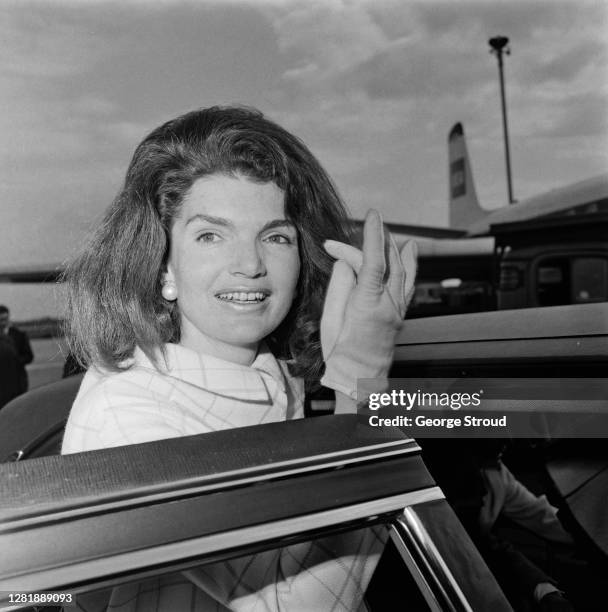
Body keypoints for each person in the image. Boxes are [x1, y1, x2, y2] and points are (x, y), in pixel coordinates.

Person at [61, 106, 416, 611]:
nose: (250, 264)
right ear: (164, 267)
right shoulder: (131, 413)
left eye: (275, 237)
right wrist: (362, 393)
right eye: (211, 235)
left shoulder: (271, 380)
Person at [0, 304, 34, 394]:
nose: (3, 323)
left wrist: (13, 361)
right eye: (0, 320)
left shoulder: (19, 335)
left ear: (8, 318)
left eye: (5, 319)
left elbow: (29, 356)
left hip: (17, 380)